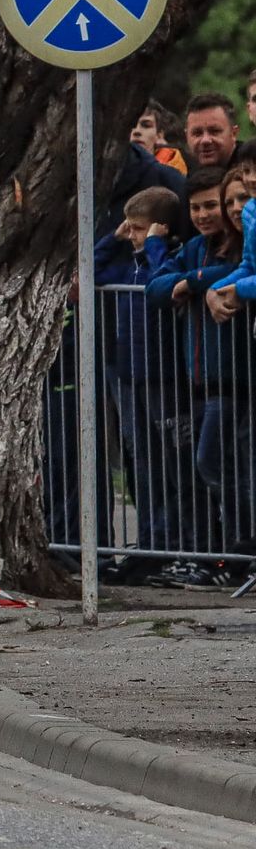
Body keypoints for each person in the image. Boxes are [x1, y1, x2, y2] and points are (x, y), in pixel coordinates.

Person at [145, 167, 251, 580]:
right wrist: (190, 280)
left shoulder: (241, 245)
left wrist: (190, 283)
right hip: (200, 380)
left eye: (214, 205)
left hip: (234, 378)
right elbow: (155, 288)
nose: (208, 214)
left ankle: (240, 549)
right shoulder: (195, 247)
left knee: (213, 462)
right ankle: (228, 552)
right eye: (198, 207)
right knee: (208, 465)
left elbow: (238, 273)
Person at [95, 186, 187, 565]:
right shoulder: (124, 261)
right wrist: (112, 238)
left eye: (138, 228)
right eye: (129, 228)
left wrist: (153, 246)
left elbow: (160, 281)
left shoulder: (164, 259)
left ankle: (174, 543)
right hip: (127, 370)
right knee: (142, 460)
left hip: (161, 373)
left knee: (170, 462)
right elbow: (94, 270)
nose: (131, 234)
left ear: (160, 230)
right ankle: (150, 543)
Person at [184, 93, 239, 171]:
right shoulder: (177, 174)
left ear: (234, 133)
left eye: (214, 131)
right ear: (186, 136)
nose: (205, 140)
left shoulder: (251, 172)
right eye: (197, 133)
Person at [132, 100, 187, 174]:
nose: (137, 131)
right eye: (131, 125)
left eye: (146, 125)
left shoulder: (176, 173)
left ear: (159, 135)